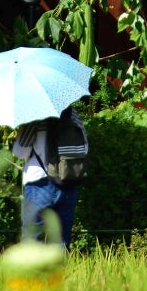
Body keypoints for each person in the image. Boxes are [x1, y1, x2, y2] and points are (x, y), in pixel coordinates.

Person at [12, 103, 89, 246]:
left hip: (39, 184)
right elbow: (85, 148)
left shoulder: (34, 116)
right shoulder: (73, 115)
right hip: (68, 182)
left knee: (32, 241)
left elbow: (20, 152)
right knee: (61, 243)